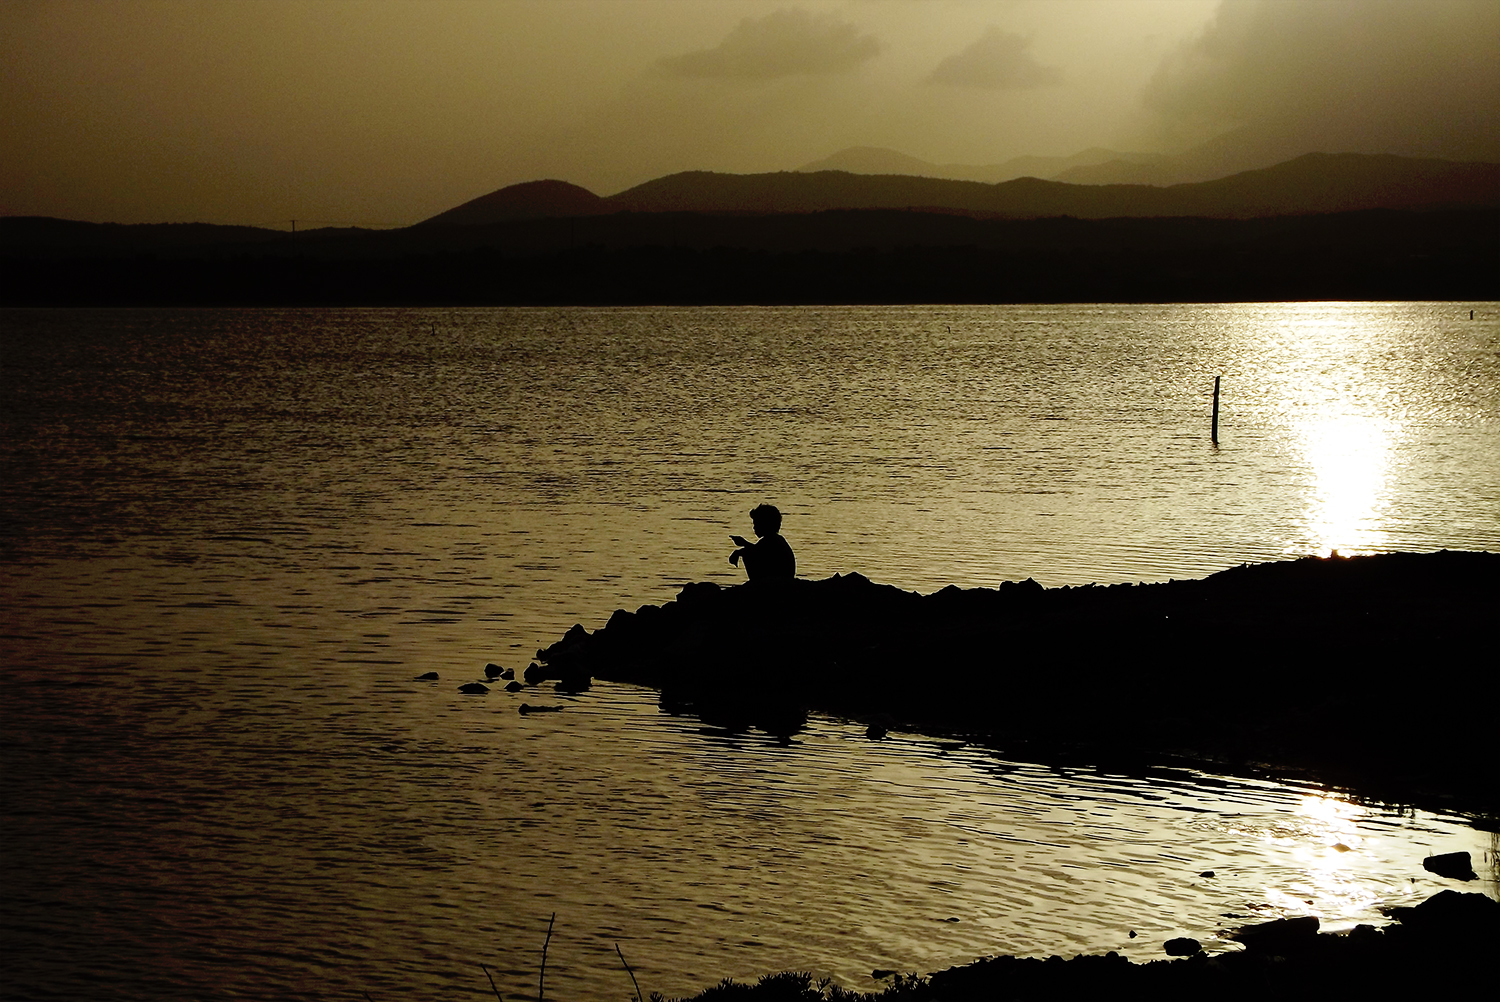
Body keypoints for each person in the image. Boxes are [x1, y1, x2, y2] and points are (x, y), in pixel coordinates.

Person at [729, 504, 795, 582]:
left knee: (747, 554)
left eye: (756, 524)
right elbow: (761, 551)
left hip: (777, 580)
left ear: (765, 524)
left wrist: (739, 552)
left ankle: (757, 583)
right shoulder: (775, 539)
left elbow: (758, 552)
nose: (754, 527)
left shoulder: (771, 540)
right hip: (782, 577)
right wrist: (744, 543)